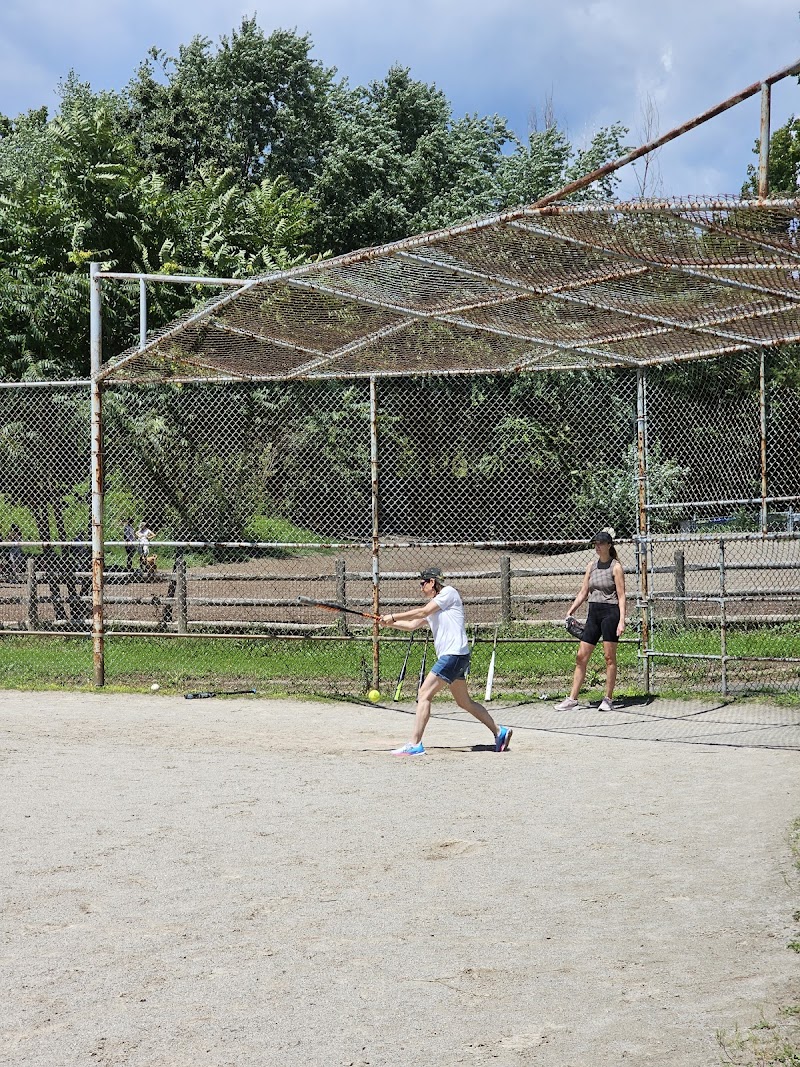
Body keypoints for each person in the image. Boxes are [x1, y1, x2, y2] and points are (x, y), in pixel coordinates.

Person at [379, 566, 512, 756]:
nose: (421, 587)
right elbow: (412, 625)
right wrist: (388, 623)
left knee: (424, 694)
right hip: (456, 656)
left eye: (422, 583)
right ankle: (500, 732)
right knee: (464, 702)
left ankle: (415, 744)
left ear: (432, 582)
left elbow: (421, 612)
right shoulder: (436, 605)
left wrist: (393, 616)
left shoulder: (448, 593)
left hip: (453, 655)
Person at [556, 529, 626, 713]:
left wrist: (622, 620)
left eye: (601, 543)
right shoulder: (592, 566)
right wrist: (571, 610)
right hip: (593, 613)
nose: (597, 546)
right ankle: (572, 699)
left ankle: (608, 698)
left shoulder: (615, 567)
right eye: (595, 543)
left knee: (609, 658)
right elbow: (583, 592)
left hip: (610, 613)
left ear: (609, 545)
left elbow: (621, 596)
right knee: (581, 657)